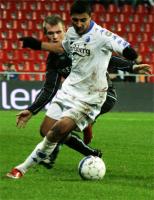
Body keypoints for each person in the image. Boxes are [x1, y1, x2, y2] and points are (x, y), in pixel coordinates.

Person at [6, 0, 148, 179]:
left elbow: (116, 54)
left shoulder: (101, 36)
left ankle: (21, 169)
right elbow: (51, 84)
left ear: (90, 18)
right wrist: (31, 110)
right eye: (75, 20)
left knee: (58, 130)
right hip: (69, 90)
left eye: (83, 20)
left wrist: (132, 65)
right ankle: (82, 137)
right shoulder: (71, 36)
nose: (79, 24)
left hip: (94, 95)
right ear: (70, 21)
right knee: (45, 130)